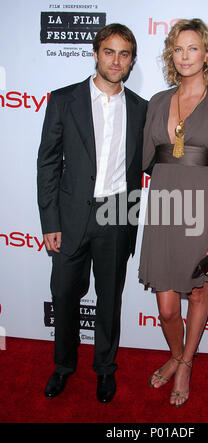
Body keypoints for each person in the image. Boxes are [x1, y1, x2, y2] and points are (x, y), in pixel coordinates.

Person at [37, 23, 147, 403]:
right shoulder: (63, 100)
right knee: (65, 295)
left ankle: (105, 369)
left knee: (109, 300)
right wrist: (50, 221)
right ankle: (63, 366)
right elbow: (47, 164)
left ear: (132, 60)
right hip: (69, 217)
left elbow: (153, 162)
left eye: (124, 54)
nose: (116, 60)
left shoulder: (141, 108)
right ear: (96, 53)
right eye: (109, 52)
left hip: (118, 214)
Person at [139, 18, 208, 407]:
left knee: (197, 293)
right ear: (171, 54)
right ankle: (176, 352)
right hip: (164, 207)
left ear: (206, 53)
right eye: (178, 49)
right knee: (166, 309)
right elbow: (147, 158)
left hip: (203, 211)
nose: (185, 56)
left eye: (192, 48)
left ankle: (184, 363)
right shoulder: (158, 101)